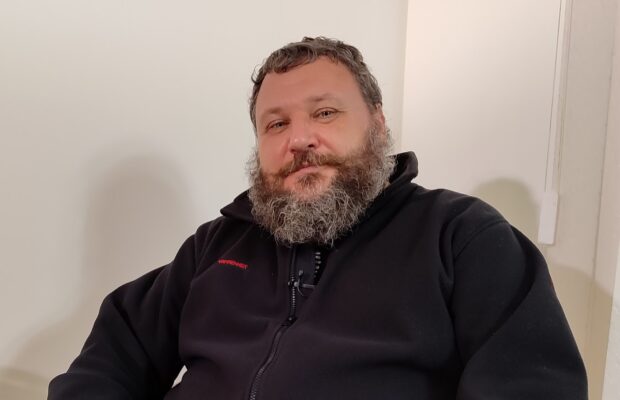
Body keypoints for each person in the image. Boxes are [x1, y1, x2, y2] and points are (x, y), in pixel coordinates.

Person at [48, 36, 587, 399]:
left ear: (377, 123)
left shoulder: (462, 236)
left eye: (325, 113)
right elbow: (113, 355)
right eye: (276, 124)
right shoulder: (216, 245)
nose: (300, 138)